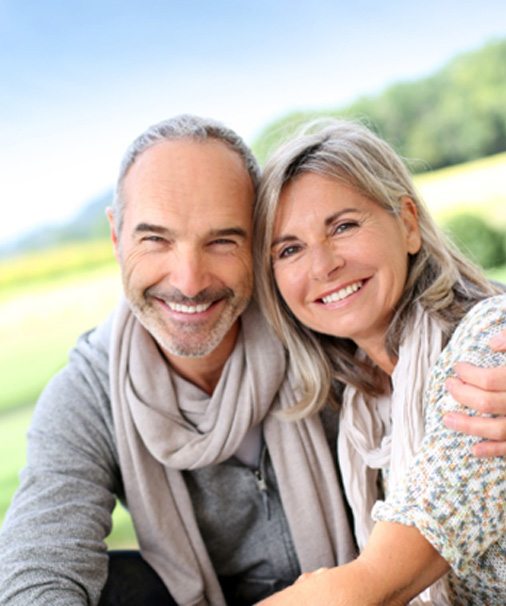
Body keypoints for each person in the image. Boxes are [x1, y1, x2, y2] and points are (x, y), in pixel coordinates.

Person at [0, 115, 504, 606]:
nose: (190, 280)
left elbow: (465, 321)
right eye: (155, 239)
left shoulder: (325, 335)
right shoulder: (91, 393)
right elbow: (39, 562)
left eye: (223, 240)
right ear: (116, 238)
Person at [253, 118, 506, 605]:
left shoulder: (487, 346)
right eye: (289, 249)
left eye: (343, 226)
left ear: (408, 224)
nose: (323, 266)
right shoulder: (360, 411)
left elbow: (370, 588)